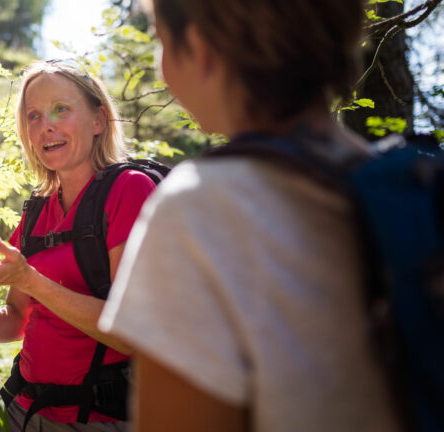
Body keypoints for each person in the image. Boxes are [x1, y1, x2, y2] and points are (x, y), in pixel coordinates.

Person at [98, 0, 403, 431]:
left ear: (201, 47)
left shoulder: (199, 207)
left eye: (161, 40)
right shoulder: (406, 188)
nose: (160, 66)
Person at [0, 61, 157, 431]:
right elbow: (17, 321)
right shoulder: (38, 208)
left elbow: (129, 331)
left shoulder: (131, 190)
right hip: (20, 405)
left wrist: (31, 280)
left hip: (95, 417)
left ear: (98, 120)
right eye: (33, 115)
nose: (46, 125)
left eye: (61, 109)